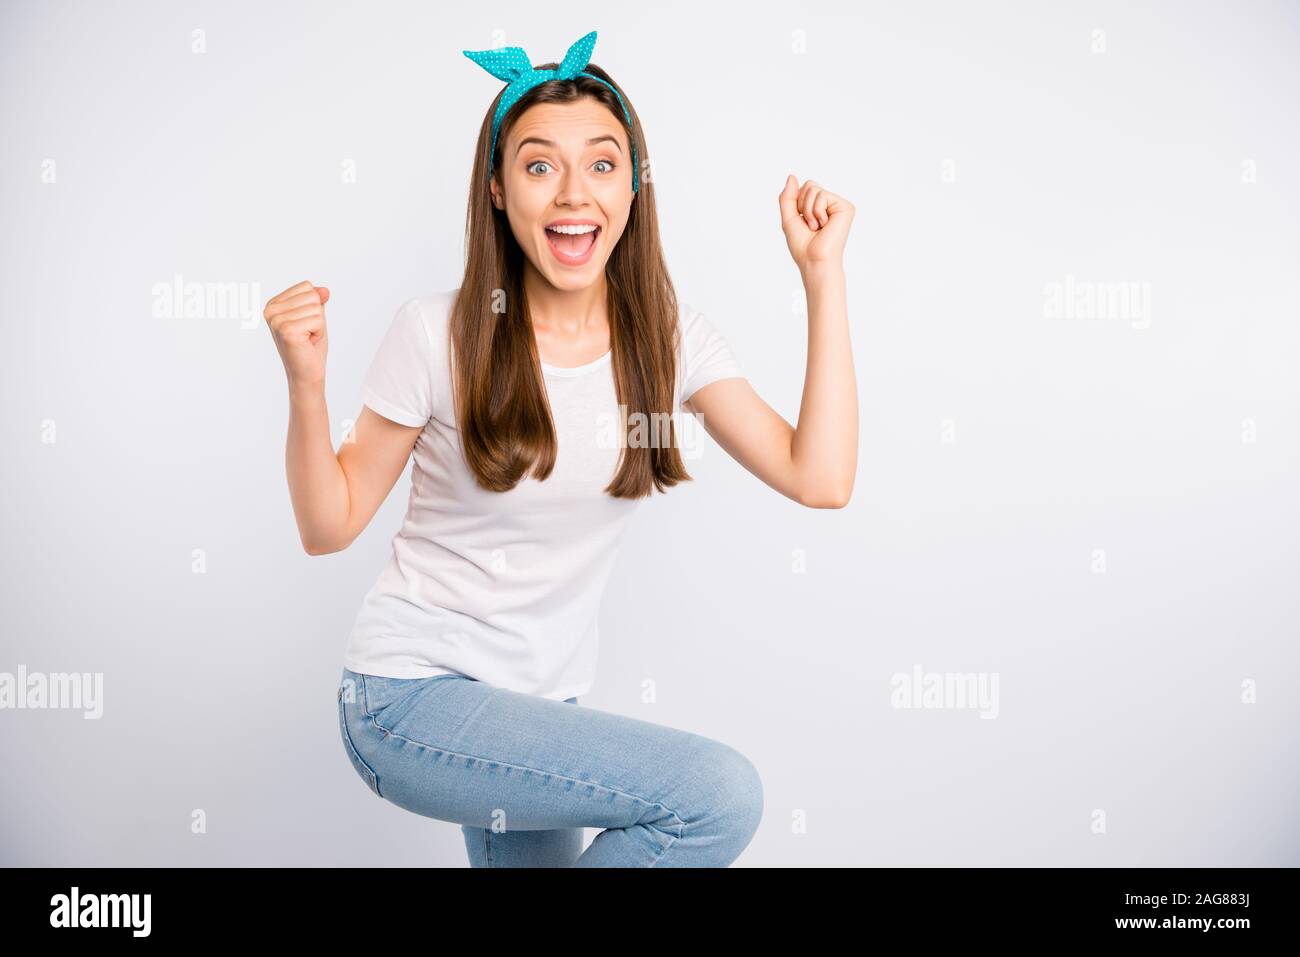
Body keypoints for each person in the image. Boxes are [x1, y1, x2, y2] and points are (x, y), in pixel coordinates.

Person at [264, 30, 857, 867]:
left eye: (604, 164)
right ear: (500, 190)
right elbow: (329, 526)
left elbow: (821, 476)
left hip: (542, 707)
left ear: (634, 187)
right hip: (406, 699)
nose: (575, 193)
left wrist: (822, 275)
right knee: (715, 795)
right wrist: (305, 383)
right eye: (540, 165)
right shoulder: (436, 332)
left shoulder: (668, 339)